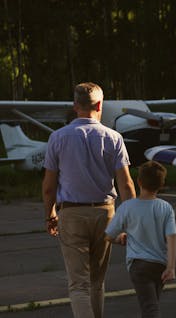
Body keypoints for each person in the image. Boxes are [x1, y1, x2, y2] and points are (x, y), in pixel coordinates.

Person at [42, 82, 136, 318]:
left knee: (78, 284)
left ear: (75, 106)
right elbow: (125, 184)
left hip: (71, 214)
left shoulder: (58, 137)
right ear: (100, 105)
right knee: (97, 281)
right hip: (105, 214)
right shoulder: (114, 137)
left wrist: (50, 213)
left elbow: (48, 187)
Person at [105, 161, 176, 318]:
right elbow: (171, 237)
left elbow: (109, 236)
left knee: (150, 309)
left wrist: (120, 238)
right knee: (152, 304)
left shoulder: (127, 207)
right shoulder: (165, 207)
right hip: (160, 264)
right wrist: (171, 267)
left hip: (139, 266)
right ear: (161, 184)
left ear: (138, 182)